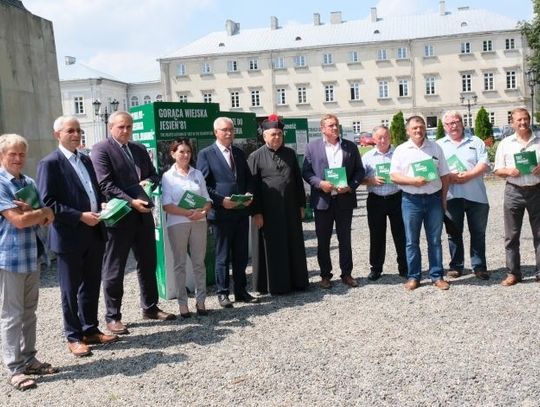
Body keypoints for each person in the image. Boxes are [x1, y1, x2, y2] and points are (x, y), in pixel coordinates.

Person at [36, 116, 118, 358]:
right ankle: (73, 336)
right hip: (69, 235)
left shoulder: (85, 159)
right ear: (57, 135)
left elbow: (92, 189)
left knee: (91, 284)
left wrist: (101, 205)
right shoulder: (49, 163)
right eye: (70, 130)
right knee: (69, 290)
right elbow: (47, 202)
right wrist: (80, 216)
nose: (76, 134)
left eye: (78, 130)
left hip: (94, 231)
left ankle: (90, 329)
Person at [91, 111, 175, 335]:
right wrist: (131, 201)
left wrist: (149, 182)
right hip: (119, 218)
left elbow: (155, 175)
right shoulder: (101, 149)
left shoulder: (137, 149)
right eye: (121, 127)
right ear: (111, 128)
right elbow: (105, 184)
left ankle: (149, 307)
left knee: (148, 262)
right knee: (114, 268)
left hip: (143, 214)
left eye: (129, 126)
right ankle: (113, 316)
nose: (126, 130)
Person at [0, 134, 57, 391]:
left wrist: (35, 213)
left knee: (29, 312)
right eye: (12, 154)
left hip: (31, 255)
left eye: (22, 154)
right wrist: (37, 213)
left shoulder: (29, 181)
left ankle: (30, 358)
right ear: (2, 156)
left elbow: (49, 218)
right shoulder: (1, 183)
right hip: (9, 257)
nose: (18, 159)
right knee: (11, 315)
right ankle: (14, 368)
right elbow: (19, 221)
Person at [197, 117, 258, 308]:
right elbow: (203, 184)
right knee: (222, 256)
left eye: (231, 129)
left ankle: (241, 290)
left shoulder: (239, 153)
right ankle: (223, 293)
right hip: (221, 213)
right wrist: (221, 201)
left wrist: (249, 194)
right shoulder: (206, 154)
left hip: (240, 212)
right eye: (224, 130)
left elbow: (248, 179)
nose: (229, 133)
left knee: (241, 255)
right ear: (216, 132)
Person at [247, 114, 309, 295]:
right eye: (273, 134)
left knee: (293, 244)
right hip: (268, 212)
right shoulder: (255, 157)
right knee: (271, 247)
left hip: (290, 209)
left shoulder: (289, 153)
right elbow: (252, 188)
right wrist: (256, 212)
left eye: (280, 134)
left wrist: (301, 205)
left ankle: (297, 282)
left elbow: (297, 180)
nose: (277, 137)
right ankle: (272, 285)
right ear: (264, 135)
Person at [302, 114, 365, 289]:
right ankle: (325, 275)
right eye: (330, 126)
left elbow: (359, 171)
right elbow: (306, 172)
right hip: (323, 200)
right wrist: (320, 183)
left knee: (345, 239)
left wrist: (351, 186)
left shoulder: (350, 147)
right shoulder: (312, 147)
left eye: (336, 125)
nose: (335, 128)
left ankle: (347, 274)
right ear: (322, 129)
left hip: (344, 199)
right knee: (323, 240)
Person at [390, 115, 451, 291]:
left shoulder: (435, 147)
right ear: (408, 130)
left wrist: (443, 198)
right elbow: (394, 176)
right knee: (411, 241)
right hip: (411, 200)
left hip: (433, 199)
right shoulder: (401, 150)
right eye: (415, 128)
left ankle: (437, 276)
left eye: (421, 127)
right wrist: (412, 181)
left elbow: (445, 175)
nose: (418, 130)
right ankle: (414, 276)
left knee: (435, 240)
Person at [161, 139, 212, 317]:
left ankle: (201, 301)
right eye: (181, 152)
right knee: (180, 264)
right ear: (173, 154)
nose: (185, 155)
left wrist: (203, 211)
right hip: (177, 223)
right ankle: (183, 304)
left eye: (188, 152)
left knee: (199, 263)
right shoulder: (168, 176)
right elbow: (166, 205)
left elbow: (207, 199)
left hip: (199, 221)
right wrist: (187, 213)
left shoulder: (197, 174)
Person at [437, 111, 490, 280]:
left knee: (478, 233)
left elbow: (483, 164)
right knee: (453, 233)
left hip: (476, 195)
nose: (453, 125)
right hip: (452, 195)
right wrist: (448, 176)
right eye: (449, 123)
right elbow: (435, 168)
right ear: (444, 127)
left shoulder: (476, 142)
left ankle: (479, 266)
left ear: (462, 123)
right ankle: (456, 265)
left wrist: (468, 175)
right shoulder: (438, 145)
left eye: (456, 121)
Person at [493, 107, 540, 286]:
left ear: (530, 120)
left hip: (537, 189)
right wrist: (509, 171)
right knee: (511, 235)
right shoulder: (505, 143)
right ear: (512, 123)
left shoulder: (539, 140)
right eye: (519, 120)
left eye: (525, 119)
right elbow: (497, 169)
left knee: (539, 233)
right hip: (514, 191)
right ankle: (513, 273)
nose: (523, 122)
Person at [361, 125, 407, 281]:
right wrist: (370, 180)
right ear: (373, 139)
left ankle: (404, 267)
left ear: (390, 137)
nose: (382, 140)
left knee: (401, 234)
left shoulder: (399, 154)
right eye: (379, 137)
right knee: (377, 235)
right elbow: (359, 179)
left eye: (385, 137)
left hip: (397, 198)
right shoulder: (367, 157)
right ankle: (376, 268)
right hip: (376, 200)